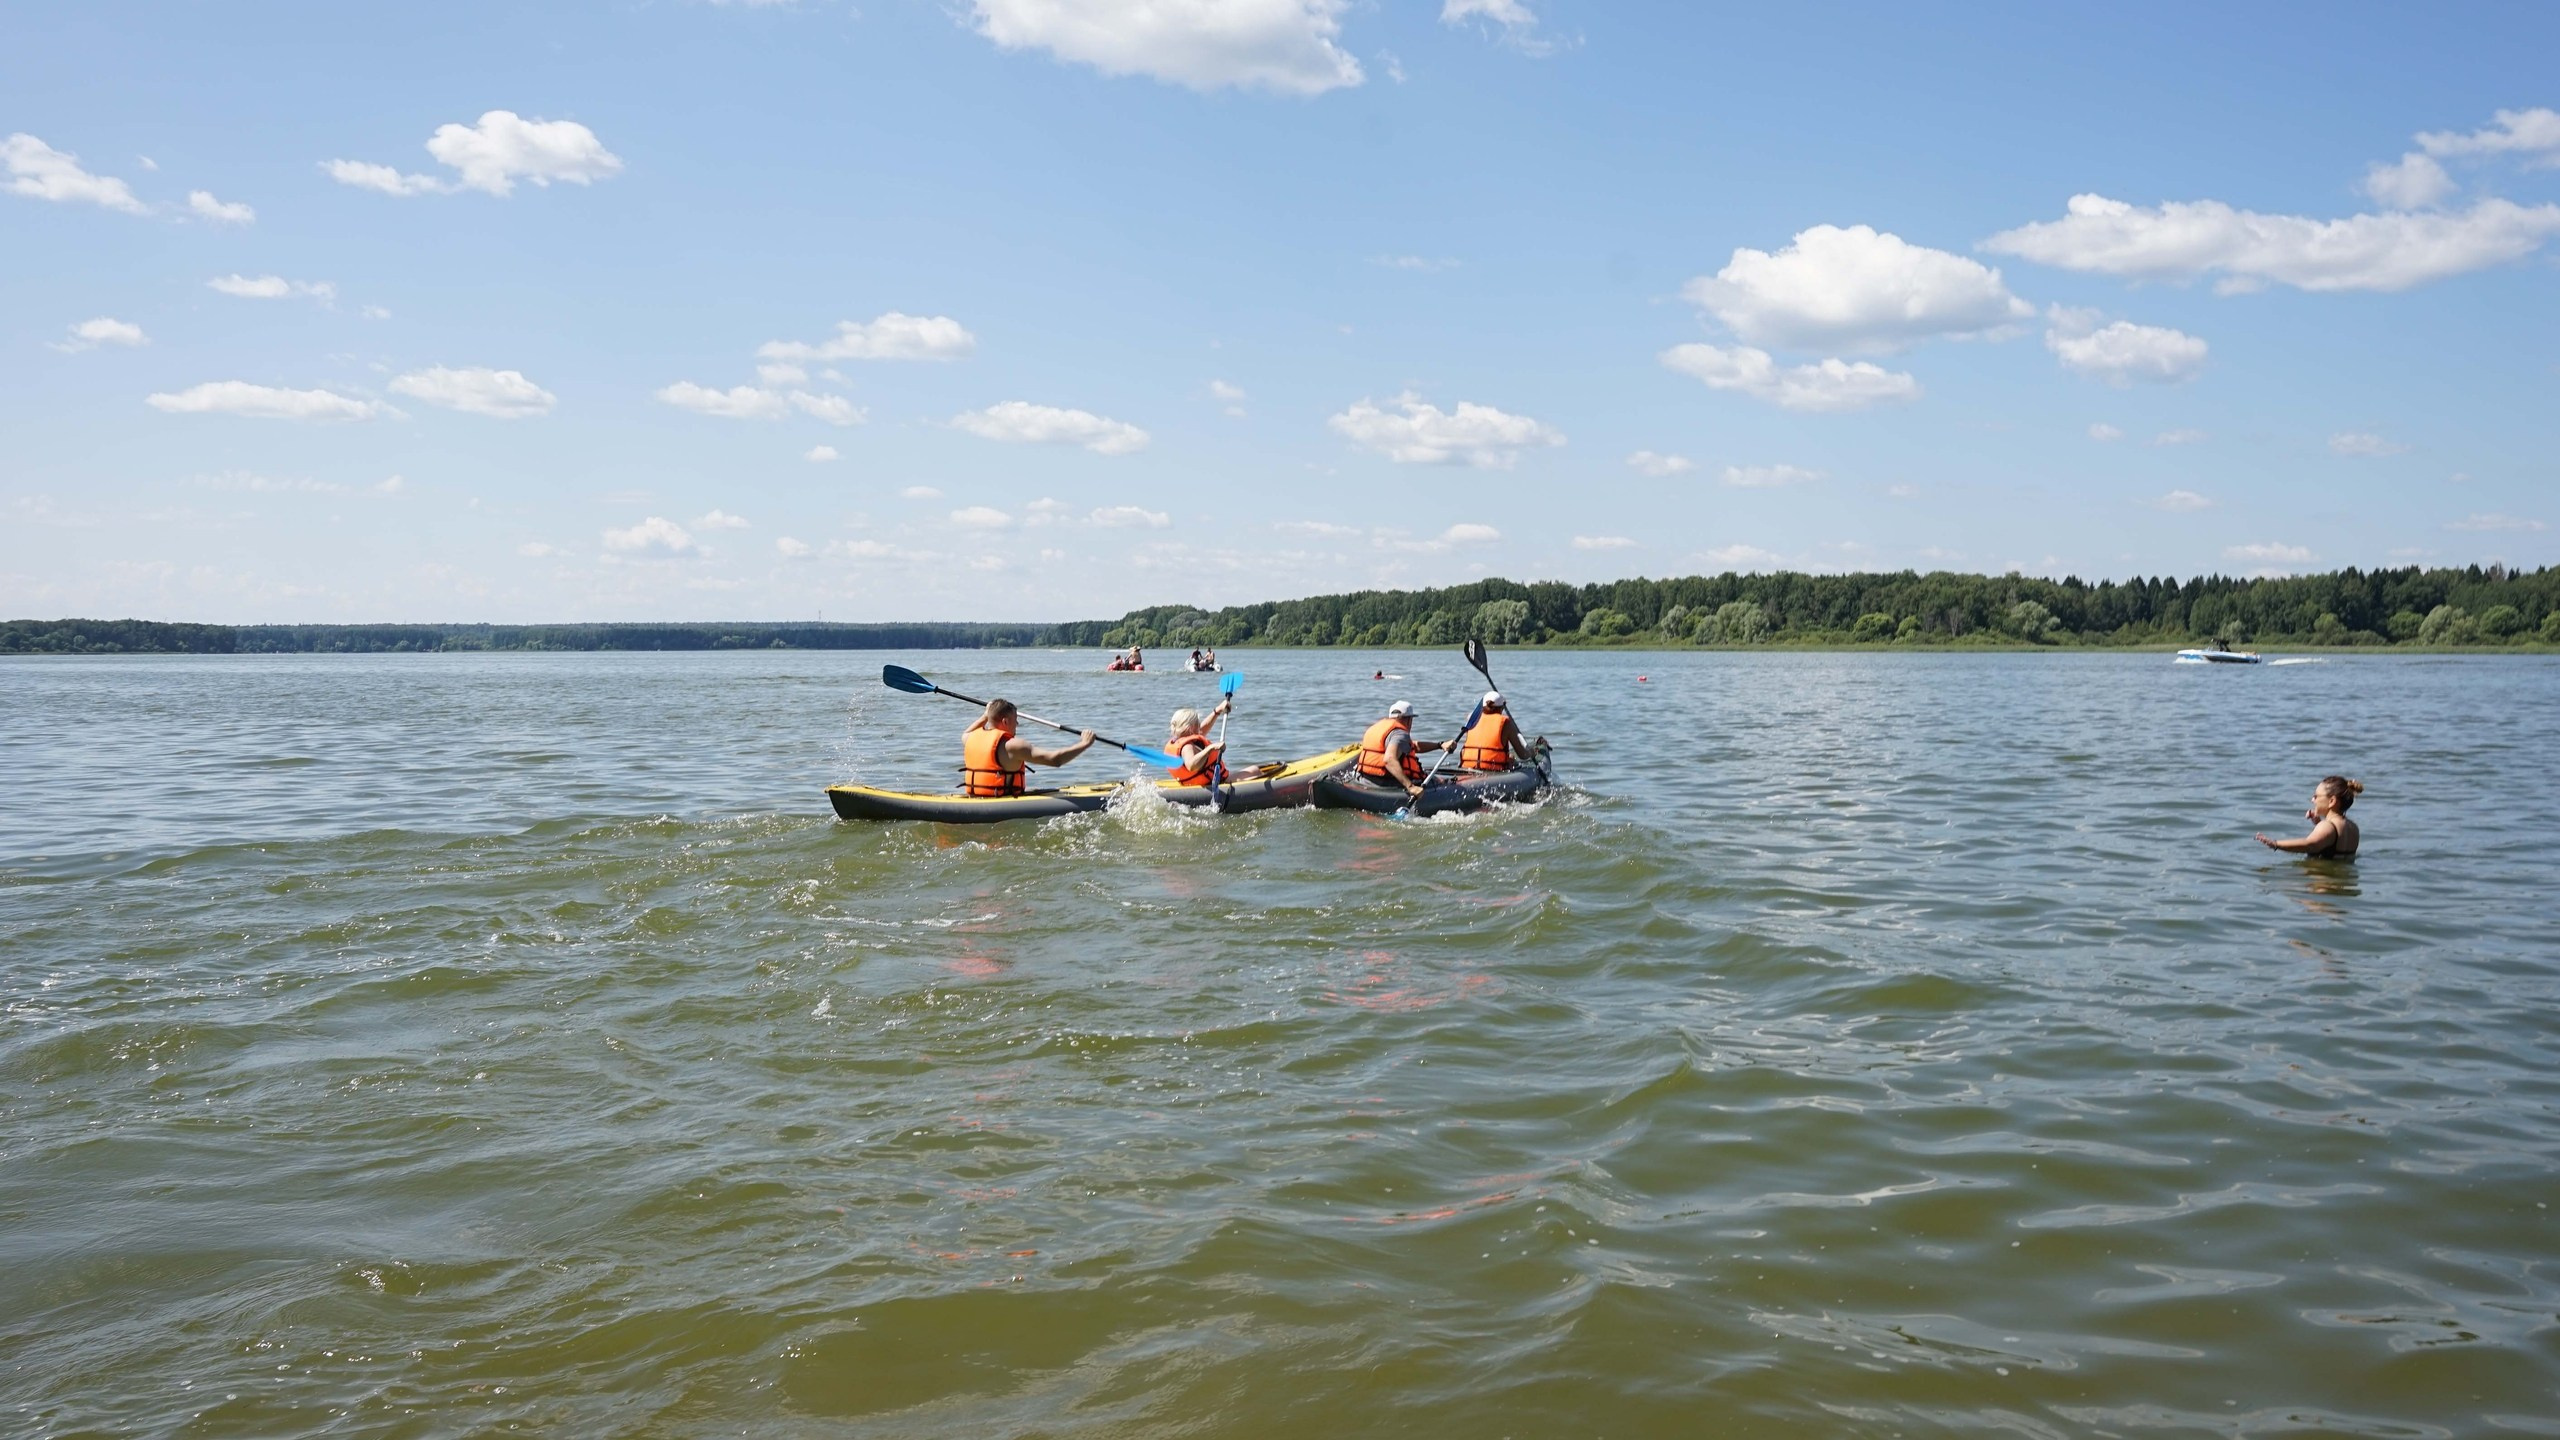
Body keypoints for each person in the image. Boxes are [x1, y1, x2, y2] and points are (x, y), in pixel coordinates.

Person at [961, 698, 1096, 796]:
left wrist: (985, 716)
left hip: (976, 798)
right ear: (1005, 721)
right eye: (1015, 719)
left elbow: (966, 732)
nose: (1017, 724)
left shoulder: (969, 738)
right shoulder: (1012, 746)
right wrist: (1084, 743)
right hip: (1001, 803)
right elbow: (1055, 760)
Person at [1356, 700, 1446, 801]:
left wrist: (1440, 745)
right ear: (1408, 720)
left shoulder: (1376, 728)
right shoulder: (1400, 734)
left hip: (1366, 780)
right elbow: (1389, 760)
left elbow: (1413, 746)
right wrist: (1410, 787)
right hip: (1386, 783)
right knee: (1438, 781)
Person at [2257, 775, 2362, 859]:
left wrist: (2276, 844)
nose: (2312, 800)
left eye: (2316, 796)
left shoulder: (2327, 827)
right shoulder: (2353, 827)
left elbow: (2310, 845)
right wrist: (2318, 823)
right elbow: (2332, 846)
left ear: (2332, 801)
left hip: (2323, 882)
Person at [1457, 691, 1538, 772]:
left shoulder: (1471, 719)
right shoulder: (1506, 723)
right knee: (1512, 759)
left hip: (1468, 767)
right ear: (1501, 708)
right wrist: (1532, 752)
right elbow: (1523, 755)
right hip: (1493, 769)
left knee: (1510, 758)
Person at [1166, 700, 1232, 787]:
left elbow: (1201, 730)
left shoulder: (1179, 740)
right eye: (1198, 723)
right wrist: (1211, 748)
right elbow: (1191, 766)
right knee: (1255, 770)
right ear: (1191, 728)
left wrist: (1217, 711)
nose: (1200, 725)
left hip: (1195, 782)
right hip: (1214, 783)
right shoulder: (1187, 747)